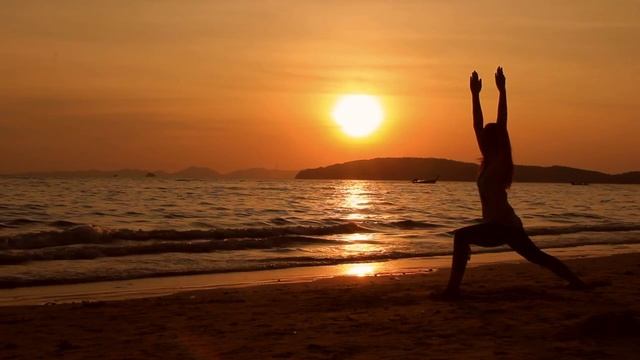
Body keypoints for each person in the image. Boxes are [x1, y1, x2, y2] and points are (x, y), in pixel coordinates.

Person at [440, 67, 586, 298]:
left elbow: (502, 122)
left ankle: (452, 290)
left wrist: (502, 91)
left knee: (532, 255)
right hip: (498, 225)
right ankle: (576, 281)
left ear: (494, 140)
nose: (482, 137)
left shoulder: (501, 160)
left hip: (504, 225)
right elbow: (477, 126)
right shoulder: (487, 162)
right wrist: (474, 95)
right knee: (536, 256)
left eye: (488, 136)